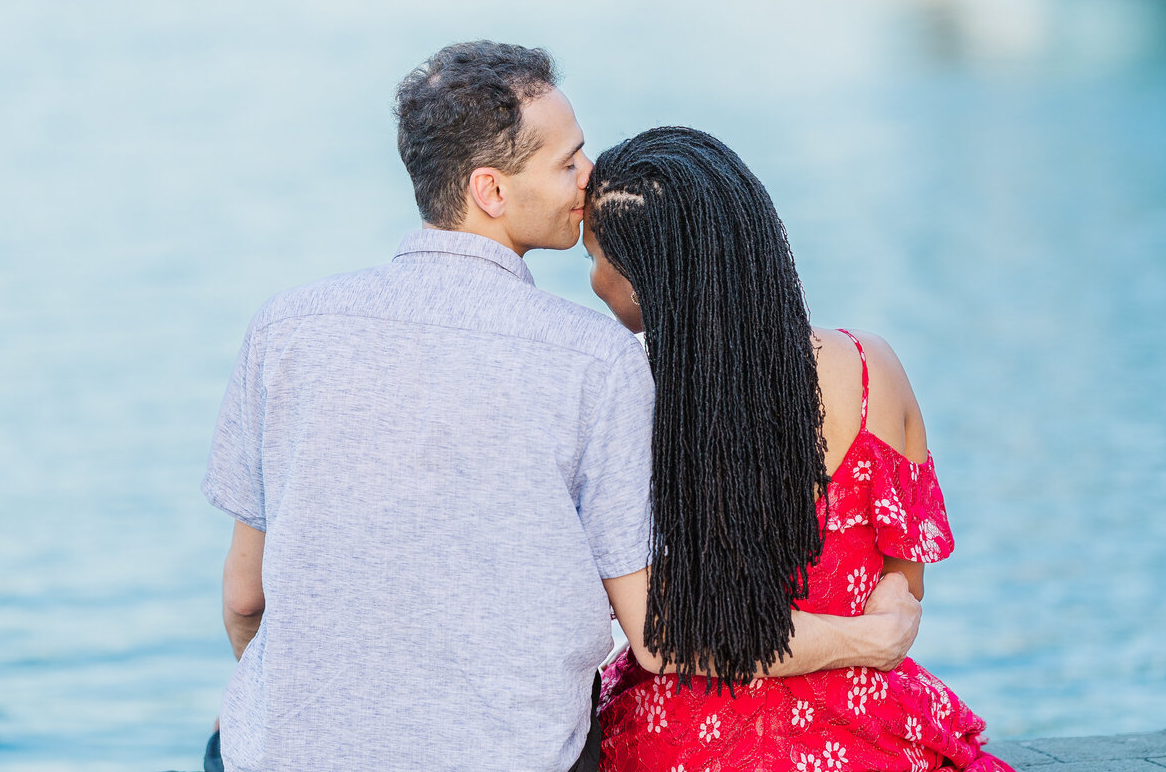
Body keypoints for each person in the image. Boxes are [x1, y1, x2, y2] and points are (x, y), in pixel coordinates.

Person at [200, 43, 924, 772]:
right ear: (491, 190)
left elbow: (243, 596)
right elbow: (660, 634)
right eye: (568, 161)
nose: (588, 180)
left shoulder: (285, 326)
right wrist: (869, 637)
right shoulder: (595, 359)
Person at [584, 126, 1015, 772]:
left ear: (648, 275)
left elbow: (661, 633)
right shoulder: (873, 367)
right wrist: (877, 631)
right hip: (864, 720)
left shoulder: (624, 391)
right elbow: (906, 572)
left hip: (685, 739)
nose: (592, 280)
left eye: (594, 259)